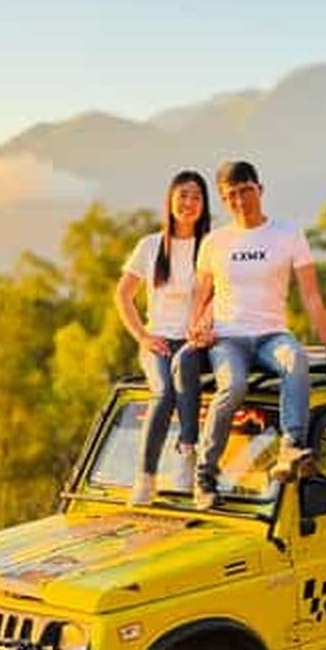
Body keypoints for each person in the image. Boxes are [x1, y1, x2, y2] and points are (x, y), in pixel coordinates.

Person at [189, 159, 326, 510]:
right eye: (231, 195)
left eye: (245, 191)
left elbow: (311, 295)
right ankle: (204, 475)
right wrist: (195, 327)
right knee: (232, 386)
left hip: (271, 335)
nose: (239, 200)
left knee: (295, 360)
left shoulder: (288, 234)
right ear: (223, 199)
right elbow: (201, 295)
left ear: (260, 190)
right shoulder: (214, 242)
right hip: (228, 337)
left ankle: (290, 448)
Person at [115, 170, 212, 505]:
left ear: (204, 205)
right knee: (163, 392)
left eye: (196, 197)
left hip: (197, 342)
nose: (188, 203)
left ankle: (186, 455)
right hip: (157, 341)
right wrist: (142, 336)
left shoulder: (210, 246)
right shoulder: (151, 245)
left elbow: (222, 294)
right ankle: (145, 478)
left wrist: (204, 329)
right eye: (183, 195)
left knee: (185, 368)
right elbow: (123, 295)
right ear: (170, 199)